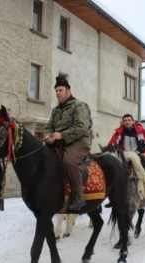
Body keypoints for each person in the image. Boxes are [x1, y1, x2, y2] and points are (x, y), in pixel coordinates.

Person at [44, 76, 92, 211]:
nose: (58, 93)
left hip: (79, 142)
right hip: (59, 143)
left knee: (68, 161)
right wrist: (48, 135)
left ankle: (79, 197)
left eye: (60, 90)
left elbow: (82, 126)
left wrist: (62, 135)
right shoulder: (56, 110)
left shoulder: (79, 106)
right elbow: (49, 126)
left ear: (68, 91)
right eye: (56, 91)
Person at [108, 114, 145, 199]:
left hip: (138, 154)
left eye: (129, 120)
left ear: (133, 121)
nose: (127, 122)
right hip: (123, 155)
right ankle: (112, 194)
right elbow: (111, 144)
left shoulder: (141, 131)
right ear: (122, 122)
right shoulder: (118, 133)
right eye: (125, 120)